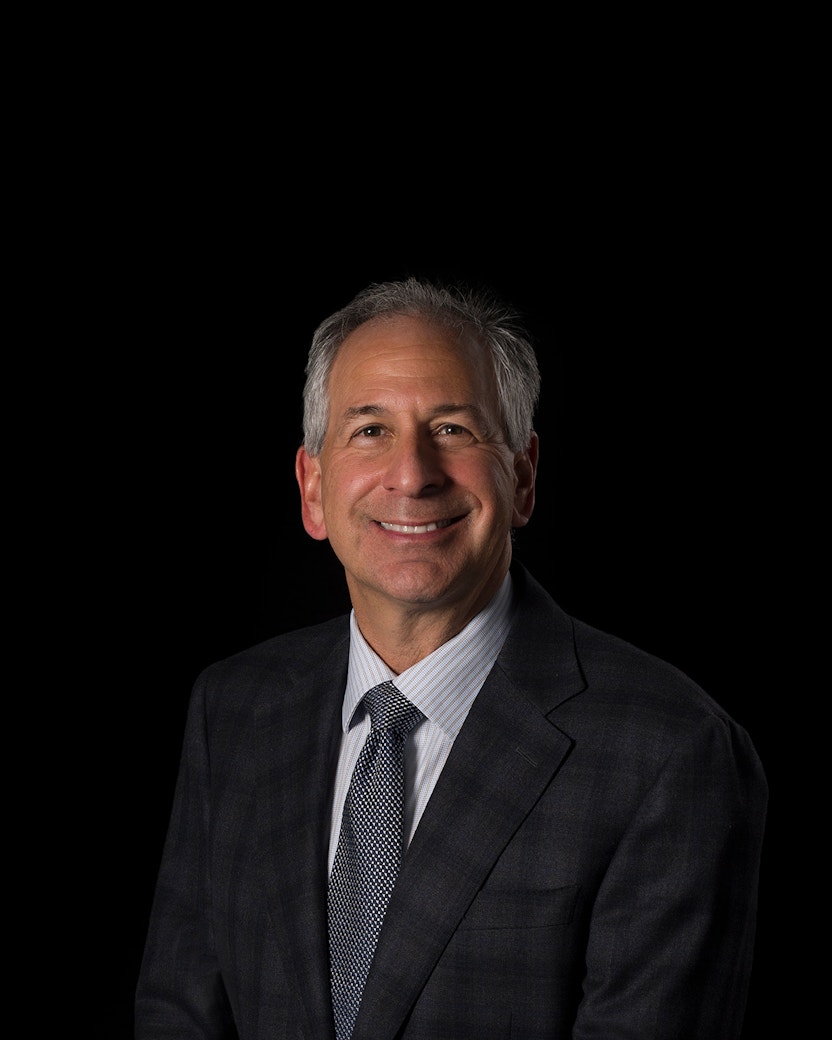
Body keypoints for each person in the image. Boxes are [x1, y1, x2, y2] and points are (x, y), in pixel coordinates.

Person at [135, 276, 768, 1040]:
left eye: (453, 428)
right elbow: (179, 1015)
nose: (412, 473)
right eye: (370, 429)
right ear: (313, 488)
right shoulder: (233, 709)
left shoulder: (669, 753)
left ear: (523, 476)